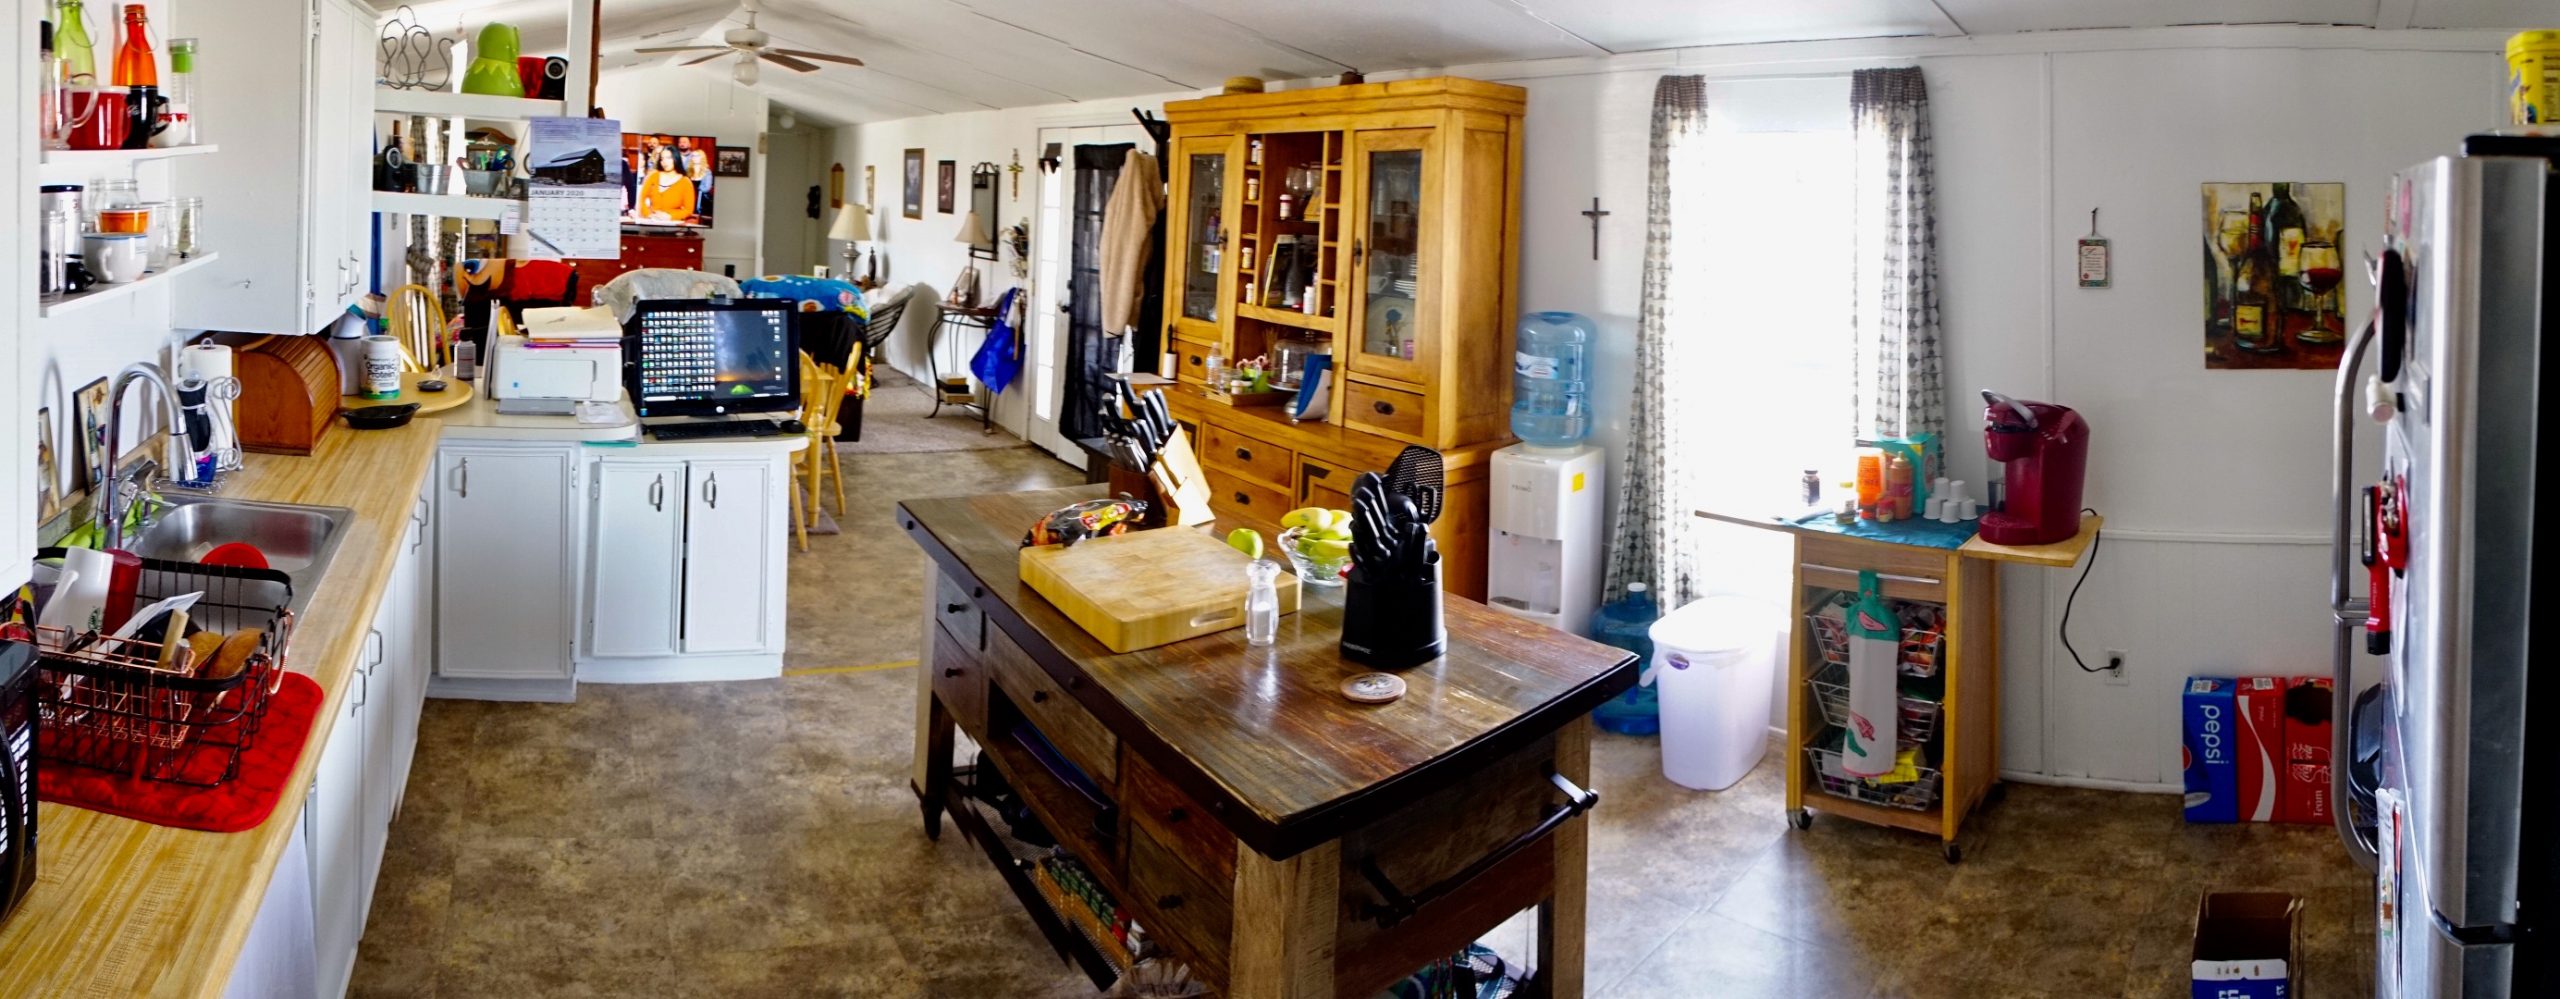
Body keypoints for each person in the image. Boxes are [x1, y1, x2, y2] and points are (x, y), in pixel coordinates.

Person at [637, 145, 696, 223]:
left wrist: (670, 216)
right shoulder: (653, 176)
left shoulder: (685, 182)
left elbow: (688, 210)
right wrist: (648, 215)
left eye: (668, 158)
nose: (664, 162)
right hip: (652, 221)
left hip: (673, 224)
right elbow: (641, 199)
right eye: (662, 159)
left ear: (676, 158)